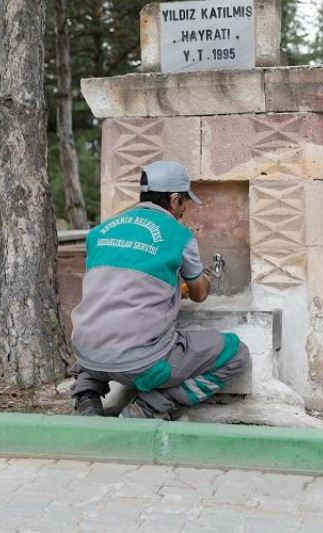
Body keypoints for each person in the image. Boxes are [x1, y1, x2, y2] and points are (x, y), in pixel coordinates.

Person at [69, 160, 250, 419]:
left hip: (87, 354)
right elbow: (200, 294)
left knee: (99, 337)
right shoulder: (179, 235)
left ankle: (87, 399)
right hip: (142, 364)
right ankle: (149, 407)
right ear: (174, 199)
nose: (185, 209)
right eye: (184, 201)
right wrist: (202, 277)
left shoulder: (99, 232)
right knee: (236, 352)